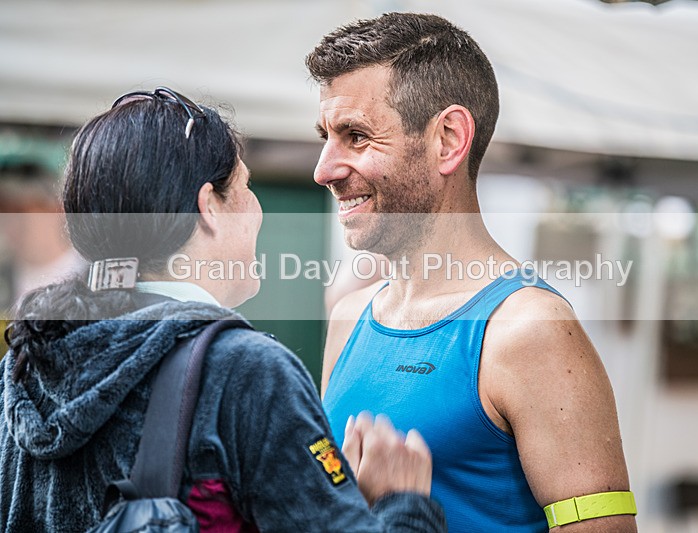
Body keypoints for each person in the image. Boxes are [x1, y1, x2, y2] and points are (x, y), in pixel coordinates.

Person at [0, 87, 445, 532]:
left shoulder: (25, 361)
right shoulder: (245, 369)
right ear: (209, 205)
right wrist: (402, 503)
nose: (257, 209)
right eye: (246, 187)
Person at [308, 13, 637, 532]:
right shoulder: (350, 318)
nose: (323, 169)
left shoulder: (530, 330)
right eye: (326, 136)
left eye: (356, 135)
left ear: (448, 138)